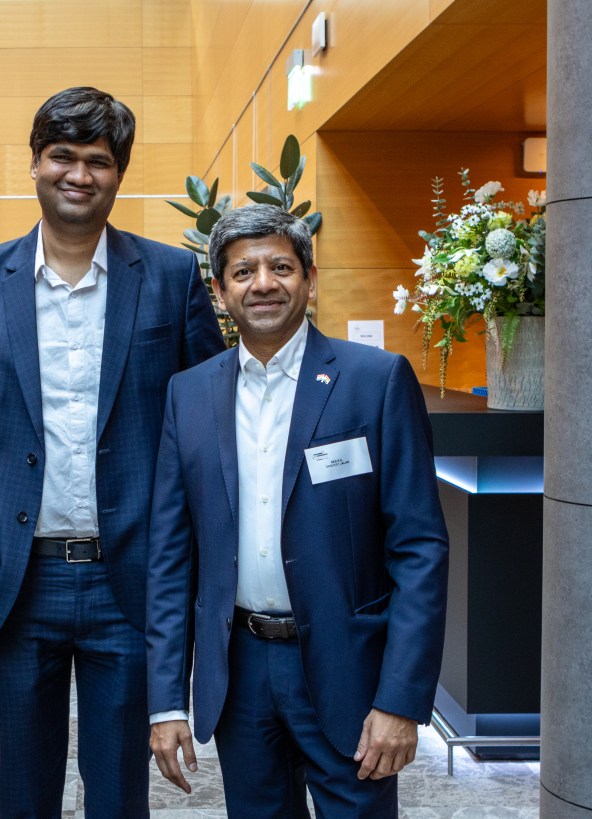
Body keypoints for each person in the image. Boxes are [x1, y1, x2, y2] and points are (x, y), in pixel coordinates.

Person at [0, 86, 225, 817]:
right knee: (22, 793)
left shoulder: (169, 277)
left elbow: (209, 416)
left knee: (120, 793)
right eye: (63, 156)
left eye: (98, 160)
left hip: (128, 582)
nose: (79, 174)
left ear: (118, 174)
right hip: (12, 581)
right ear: (34, 163)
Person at [146, 204, 449, 817]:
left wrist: (401, 699)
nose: (262, 284)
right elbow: (170, 557)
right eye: (242, 272)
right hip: (240, 673)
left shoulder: (376, 380)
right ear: (220, 290)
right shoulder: (189, 392)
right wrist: (167, 701)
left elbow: (420, 549)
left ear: (310, 278)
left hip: (349, 671)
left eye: (280, 266)